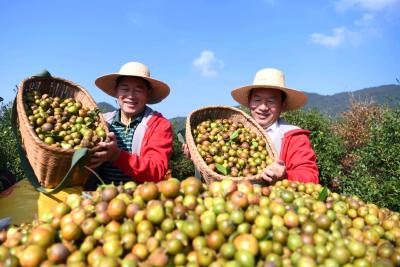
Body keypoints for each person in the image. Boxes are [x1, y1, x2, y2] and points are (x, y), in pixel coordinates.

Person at [183, 68, 319, 184]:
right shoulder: (238, 129)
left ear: (282, 105)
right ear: (249, 102)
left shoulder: (294, 137)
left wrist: (285, 176)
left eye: (271, 101)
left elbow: (311, 178)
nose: (263, 107)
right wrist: (197, 158)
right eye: (257, 100)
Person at [88, 61, 173, 185]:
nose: (131, 96)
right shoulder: (103, 122)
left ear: (147, 94)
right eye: (125, 89)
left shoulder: (159, 125)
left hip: (139, 200)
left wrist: (117, 156)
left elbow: (157, 170)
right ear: (116, 92)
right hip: (99, 197)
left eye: (138, 90)